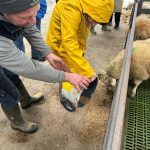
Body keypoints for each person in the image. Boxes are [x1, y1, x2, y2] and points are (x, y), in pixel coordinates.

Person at [0, 0, 90, 134]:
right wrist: (66, 76)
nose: (32, 21)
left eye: (35, 13)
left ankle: (25, 101)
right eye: (25, 17)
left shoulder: (22, 15)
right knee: (5, 89)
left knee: (11, 74)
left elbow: (31, 30)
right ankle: (17, 122)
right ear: (3, 12)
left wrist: (48, 54)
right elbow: (28, 68)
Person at [46, 0, 114, 111]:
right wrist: (87, 71)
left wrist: (80, 52)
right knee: (66, 72)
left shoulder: (85, 7)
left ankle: (71, 92)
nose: (95, 24)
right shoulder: (71, 6)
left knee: (75, 70)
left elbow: (79, 32)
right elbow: (68, 41)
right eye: (96, 20)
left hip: (73, 48)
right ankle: (64, 98)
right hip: (61, 47)